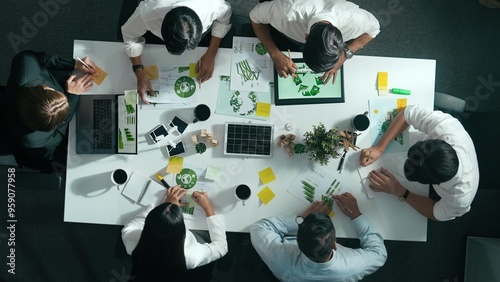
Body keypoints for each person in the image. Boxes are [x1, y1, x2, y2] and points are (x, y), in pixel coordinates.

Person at [359, 105, 479, 221]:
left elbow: (436, 213)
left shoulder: (460, 198)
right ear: (437, 142)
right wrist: (380, 147)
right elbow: (407, 113)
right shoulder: (446, 128)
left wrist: (399, 190)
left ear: (436, 183)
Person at [250, 193, 387, 281]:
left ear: (298, 242)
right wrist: (356, 215)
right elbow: (379, 254)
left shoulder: (279, 257)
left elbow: (258, 228)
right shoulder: (352, 265)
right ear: (334, 243)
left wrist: (300, 219)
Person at [121, 0, 232, 104]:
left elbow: (225, 17)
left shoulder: (213, 5)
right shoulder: (148, 14)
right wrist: (138, 71)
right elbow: (128, 35)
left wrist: (211, 54)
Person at [249, 0, 380, 84]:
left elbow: (373, 31)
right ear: (305, 37)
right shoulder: (285, 13)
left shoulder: (355, 20)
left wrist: (344, 55)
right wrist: (275, 54)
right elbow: (254, 18)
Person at [3, 50, 95, 168]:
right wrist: (72, 95)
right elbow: (60, 131)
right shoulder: (34, 140)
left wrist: (74, 64)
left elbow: (42, 58)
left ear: (44, 88)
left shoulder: (26, 62)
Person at [121, 185, 228, 280]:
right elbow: (221, 247)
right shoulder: (192, 255)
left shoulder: (133, 242)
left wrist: (166, 208)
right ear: (182, 231)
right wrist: (208, 206)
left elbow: (132, 225)